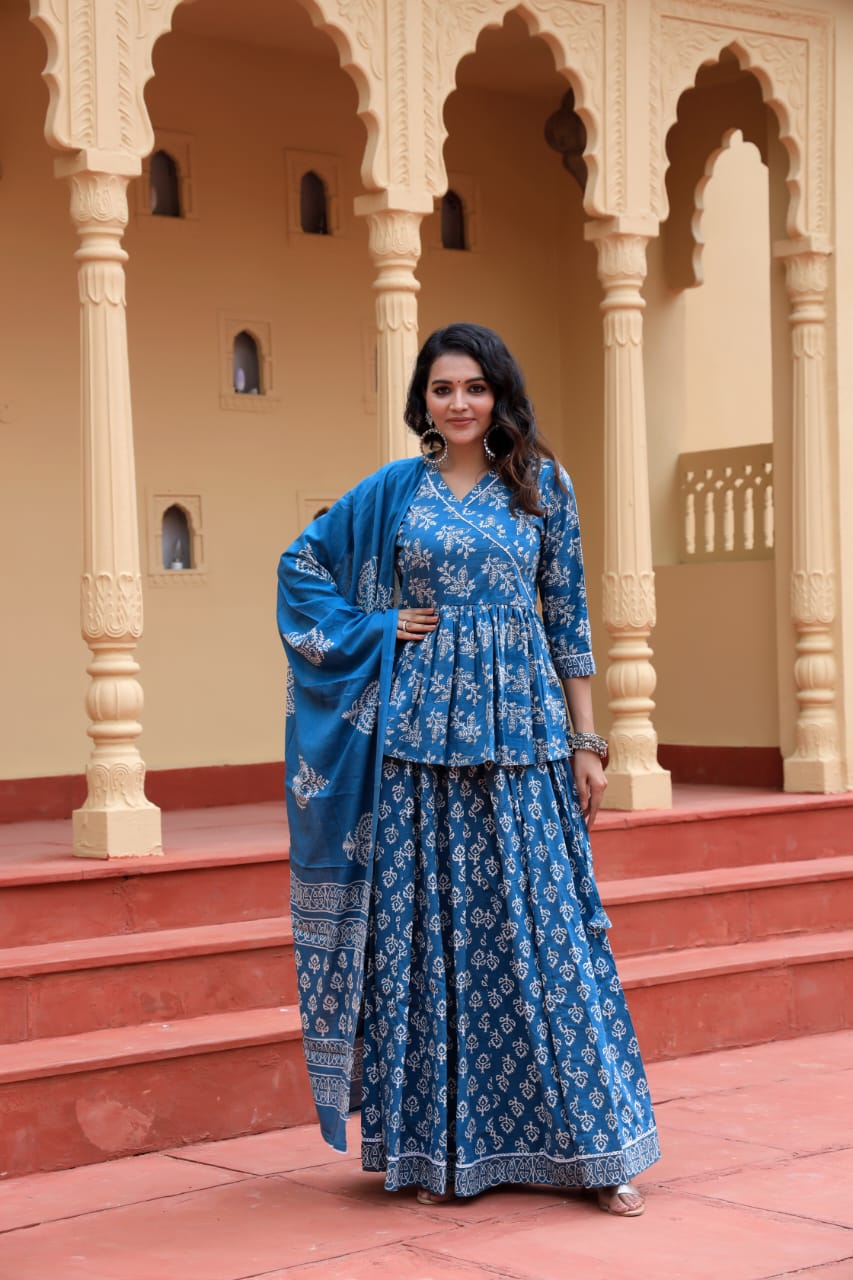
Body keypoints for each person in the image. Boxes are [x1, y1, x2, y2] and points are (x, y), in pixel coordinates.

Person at [277, 322, 659, 1218]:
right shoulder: (393, 492)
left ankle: (598, 1151)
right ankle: (443, 1154)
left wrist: (586, 740)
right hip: (417, 739)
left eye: (474, 388)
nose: (458, 403)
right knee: (437, 941)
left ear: (499, 395)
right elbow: (301, 566)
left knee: (546, 934)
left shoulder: (539, 484)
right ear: (424, 399)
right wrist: (378, 628)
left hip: (523, 731)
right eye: (443, 388)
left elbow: (566, 614)